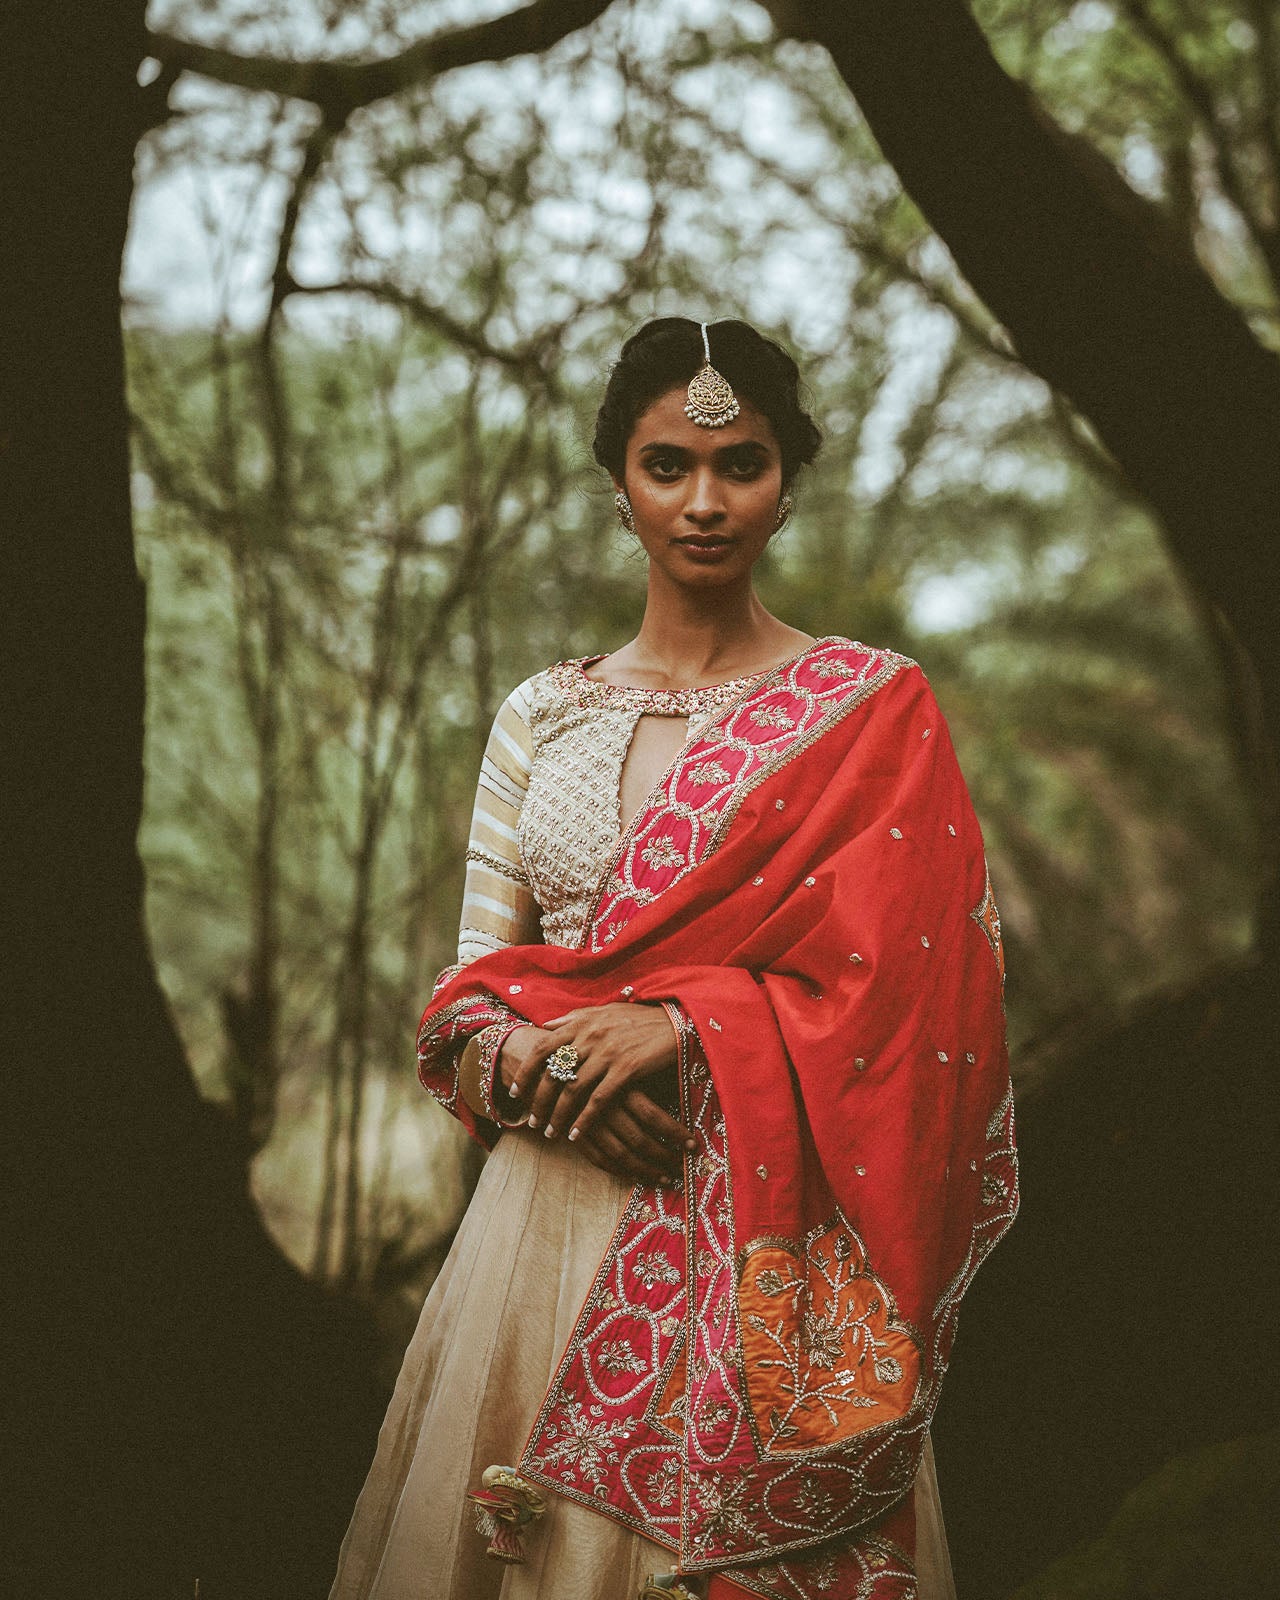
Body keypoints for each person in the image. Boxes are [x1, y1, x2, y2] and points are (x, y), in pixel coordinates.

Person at [327, 318, 1018, 1600]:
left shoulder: (870, 709)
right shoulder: (543, 711)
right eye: (666, 466)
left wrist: (690, 1022)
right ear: (619, 483)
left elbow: (921, 1000)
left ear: (785, 481)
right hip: (543, 1230)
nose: (704, 502)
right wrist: (534, 1059)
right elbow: (473, 986)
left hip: (769, 1246)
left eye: (740, 463)